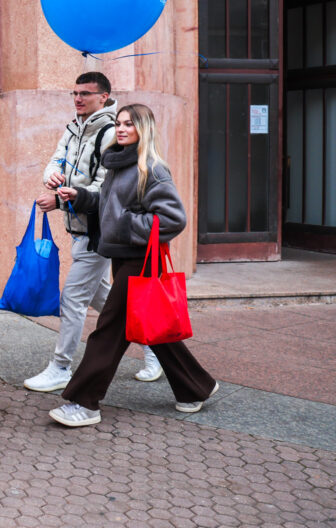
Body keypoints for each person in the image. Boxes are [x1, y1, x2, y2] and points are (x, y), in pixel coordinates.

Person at [49, 103, 218, 427]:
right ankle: (196, 386)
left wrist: (128, 225)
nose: (122, 129)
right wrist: (82, 197)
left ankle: (85, 403)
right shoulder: (118, 164)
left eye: (130, 124)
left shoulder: (151, 168)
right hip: (123, 256)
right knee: (152, 327)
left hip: (143, 259)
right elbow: (111, 203)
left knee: (109, 330)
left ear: (145, 129)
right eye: (119, 123)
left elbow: (173, 218)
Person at [25, 72, 163, 393]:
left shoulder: (109, 133)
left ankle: (61, 366)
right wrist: (53, 177)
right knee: (106, 299)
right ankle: (153, 347)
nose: (78, 98)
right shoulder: (74, 127)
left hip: (100, 232)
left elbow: (106, 187)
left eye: (85, 93)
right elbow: (55, 159)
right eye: (74, 92)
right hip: (79, 229)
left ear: (104, 97)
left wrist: (63, 199)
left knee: (73, 298)